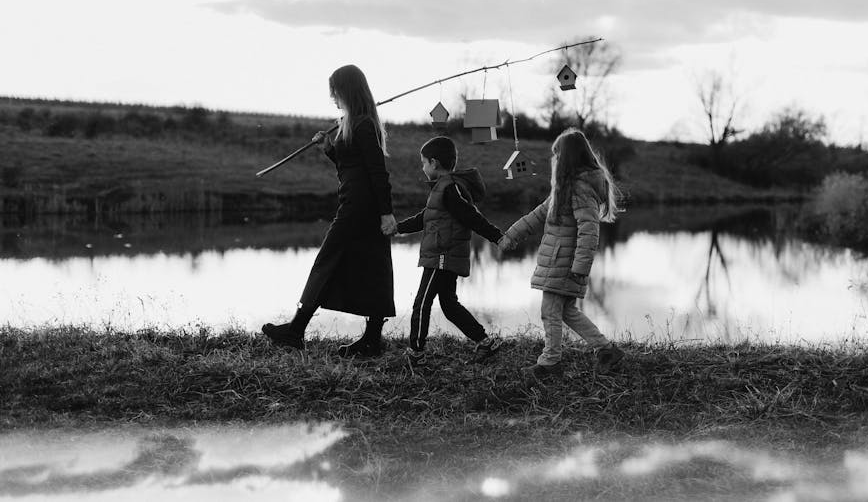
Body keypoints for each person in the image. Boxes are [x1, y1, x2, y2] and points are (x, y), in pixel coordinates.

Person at [262, 64, 397, 357]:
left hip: (359, 209)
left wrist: (386, 213)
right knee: (373, 268)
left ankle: (296, 331)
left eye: (335, 92)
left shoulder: (363, 125)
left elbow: (377, 172)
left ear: (346, 91)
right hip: (358, 205)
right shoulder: (355, 123)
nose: (333, 97)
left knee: (327, 262)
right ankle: (372, 340)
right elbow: (351, 169)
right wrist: (329, 148)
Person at [498, 128, 624, 382]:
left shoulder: (579, 190)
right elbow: (537, 215)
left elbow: (589, 232)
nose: (553, 161)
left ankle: (550, 362)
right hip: (560, 263)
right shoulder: (564, 189)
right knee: (566, 311)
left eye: (556, 156)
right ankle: (606, 350)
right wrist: (511, 235)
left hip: (565, 265)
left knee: (550, 312)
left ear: (566, 159)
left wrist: (580, 267)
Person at [394, 136, 504, 365]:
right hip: (442, 254)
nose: (422, 168)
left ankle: (416, 353)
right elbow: (425, 218)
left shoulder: (450, 189)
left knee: (422, 302)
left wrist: (497, 237)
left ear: (434, 163)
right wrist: (397, 228)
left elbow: (472, 217)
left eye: (423, 163)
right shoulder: (443, 188)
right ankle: (485, 341)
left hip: (442, 255)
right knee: (449, 304)